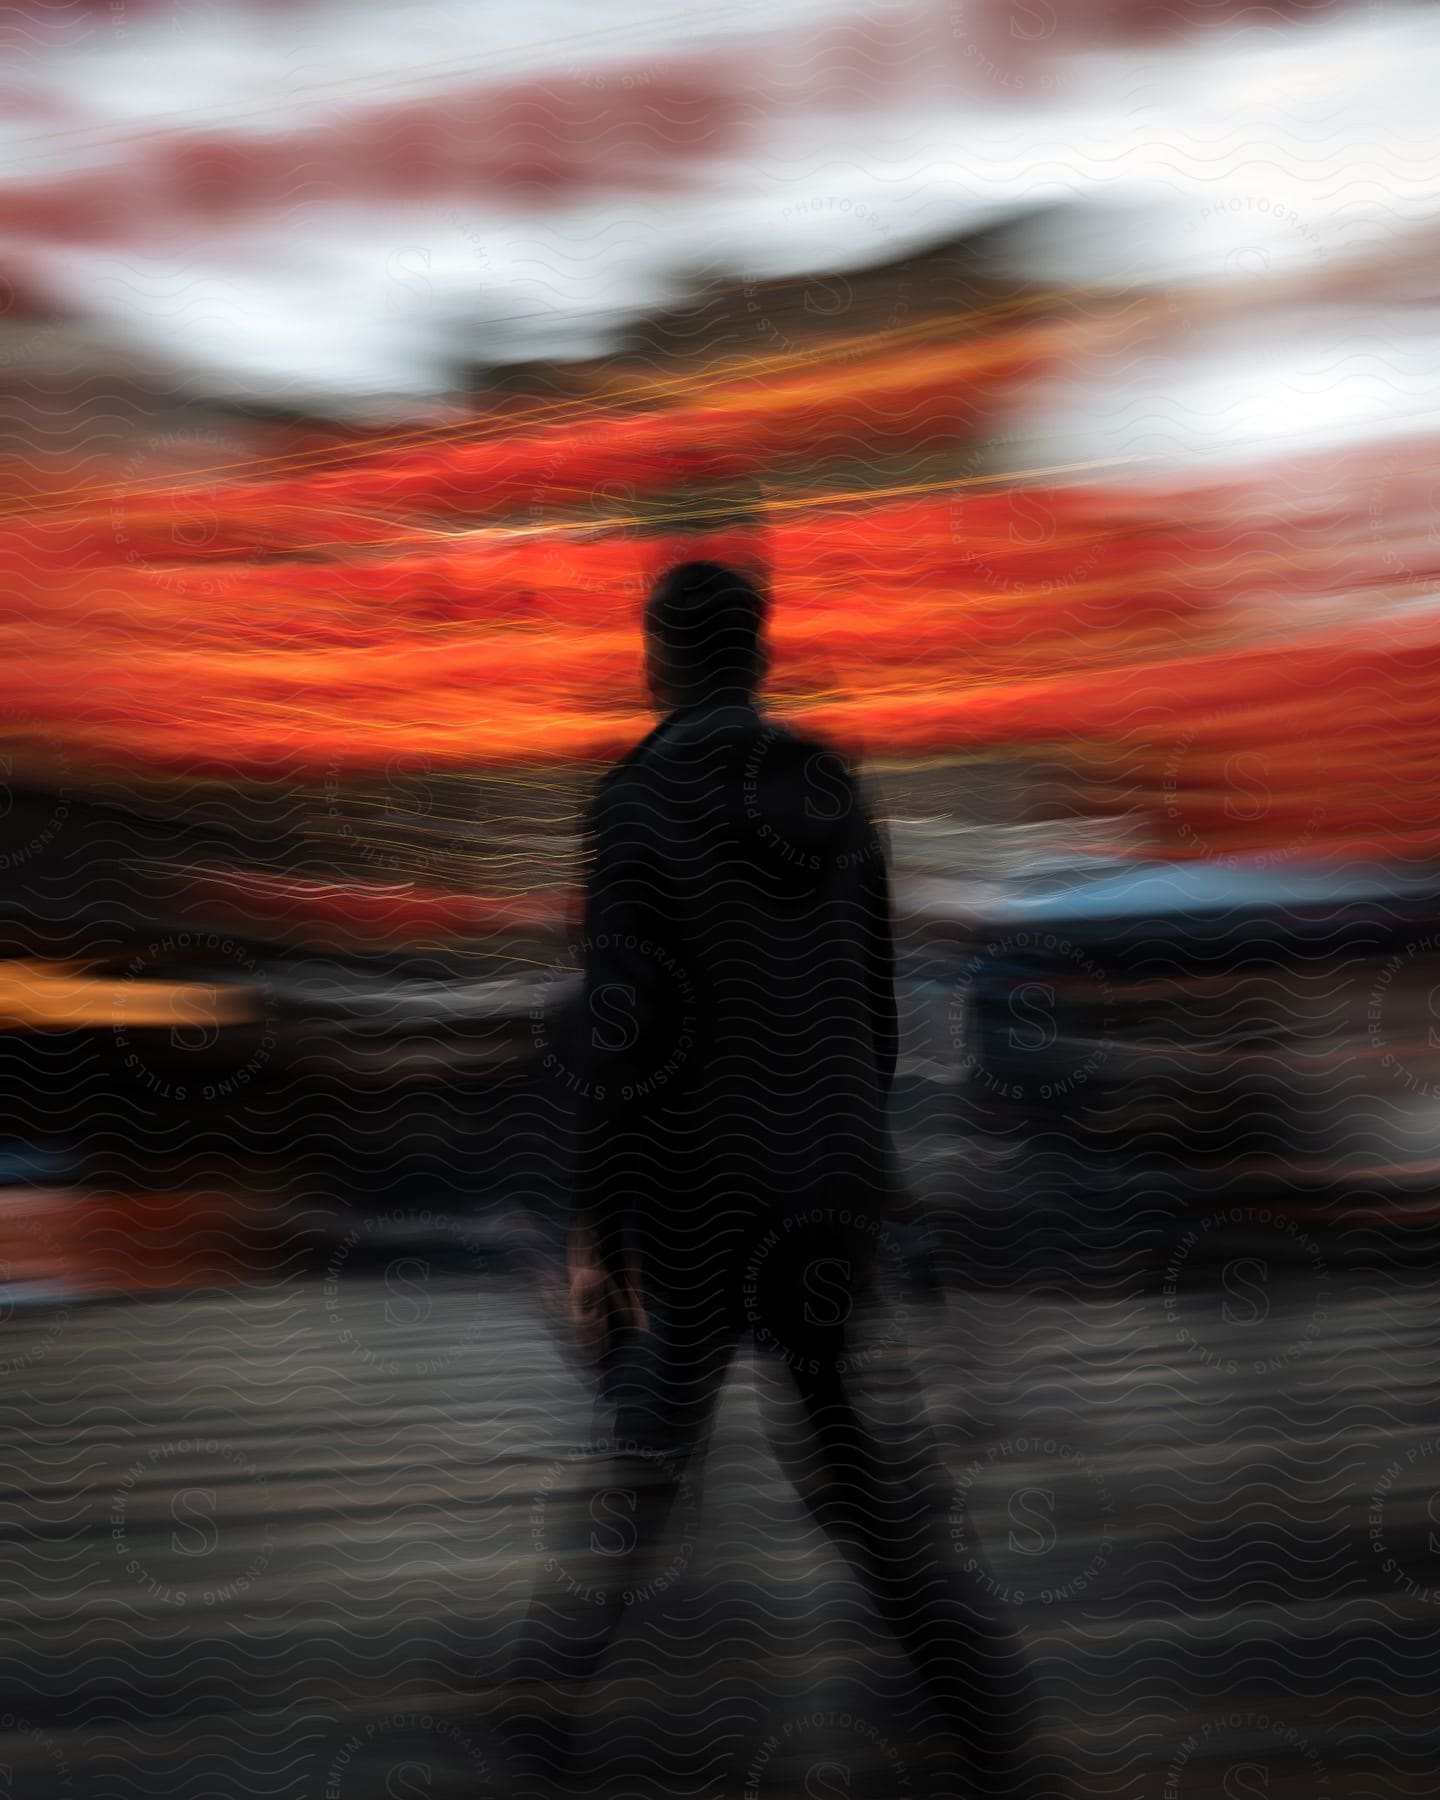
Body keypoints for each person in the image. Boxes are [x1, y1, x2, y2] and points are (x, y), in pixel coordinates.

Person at [503, 561, 1037, 1797]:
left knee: (652, 1448)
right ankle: (974, 1693)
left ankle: (544, 1700)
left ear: (662, 657)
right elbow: (876, 1000)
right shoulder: (831, 783)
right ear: (761, 652)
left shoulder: (636, 799)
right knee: (845, 1447)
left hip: (705, 1183)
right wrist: (865, 1162)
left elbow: (626, 1026)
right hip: (830, 1173)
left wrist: (599, 1219)